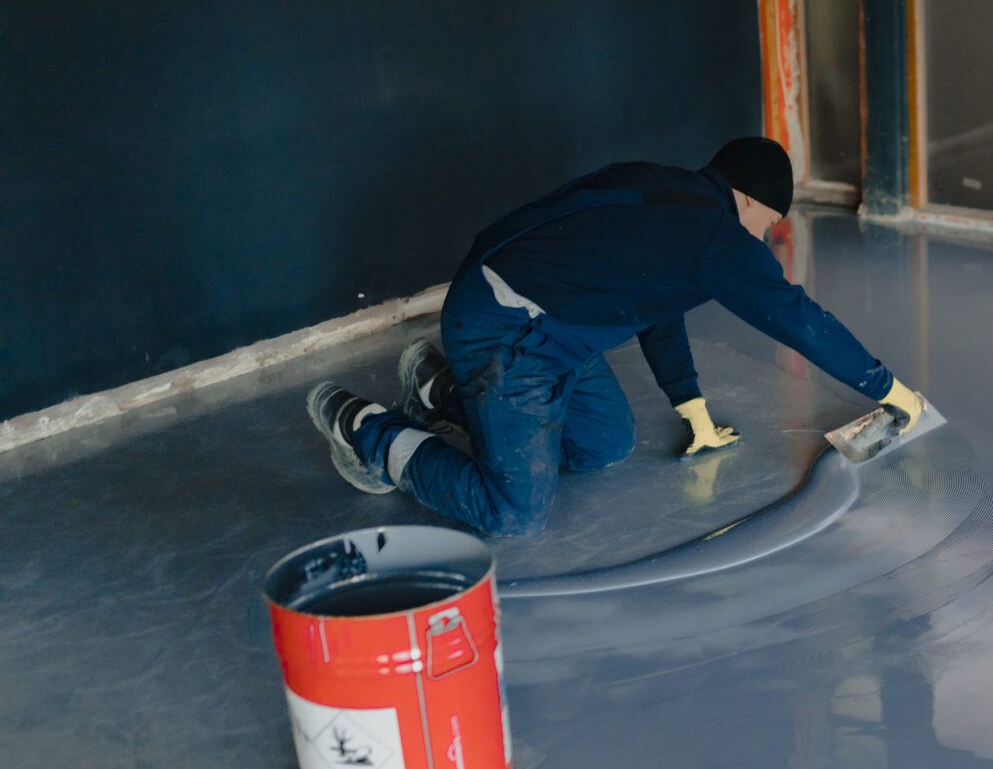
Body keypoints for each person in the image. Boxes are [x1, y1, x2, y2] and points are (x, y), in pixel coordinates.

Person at [305, 137, 924, 536]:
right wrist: (889, 389)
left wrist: (692, 408)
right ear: (747, 199)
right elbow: (796, 317)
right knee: (515, 512)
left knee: (605, 446)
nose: (763, 238)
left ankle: (444, 391)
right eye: (768, 221)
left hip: (546, 325)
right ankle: (365, 430)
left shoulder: (669, 198)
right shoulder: (713, 233)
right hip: (504, 326)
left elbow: (655, 302)